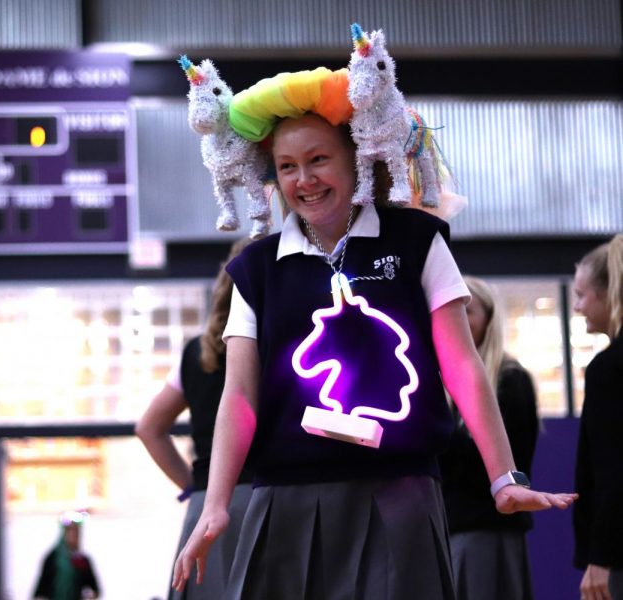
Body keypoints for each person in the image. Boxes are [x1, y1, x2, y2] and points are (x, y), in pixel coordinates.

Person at [171, 30, 576, 599]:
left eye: (319, 160)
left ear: (355, 157)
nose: (304, 180)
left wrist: (503, 476)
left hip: (400, 491)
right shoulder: (257, 268)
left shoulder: (417, 240)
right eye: (287, 167)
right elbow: (239, 394)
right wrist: (215, 506)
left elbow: (462, 365)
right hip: (284, 495)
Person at [136, 237, 253, 599]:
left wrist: (194, 485)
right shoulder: (273, 344)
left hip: (207, 507)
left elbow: (149, 427)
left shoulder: (197, 352)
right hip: (266, 498)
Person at [439, 276, 540, 599]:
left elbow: (516, 461)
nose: (459, 318)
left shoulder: (510, 380)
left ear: (489, 319)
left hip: (487, 530)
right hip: (449, 529)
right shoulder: (442, 384)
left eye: (468, 310)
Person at [572, 234, 623, 600]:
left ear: (611, 293)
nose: (577, 307)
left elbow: (614, 470)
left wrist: (600, 557)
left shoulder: (610, 369)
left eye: (582, 295)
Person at [33, 512, 100, 600]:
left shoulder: (83, 560)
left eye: (77, 532)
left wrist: (91, 595)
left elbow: (94, 588)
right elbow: (41, 589)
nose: (75, 536)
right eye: (71, 531)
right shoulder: (52, 558)